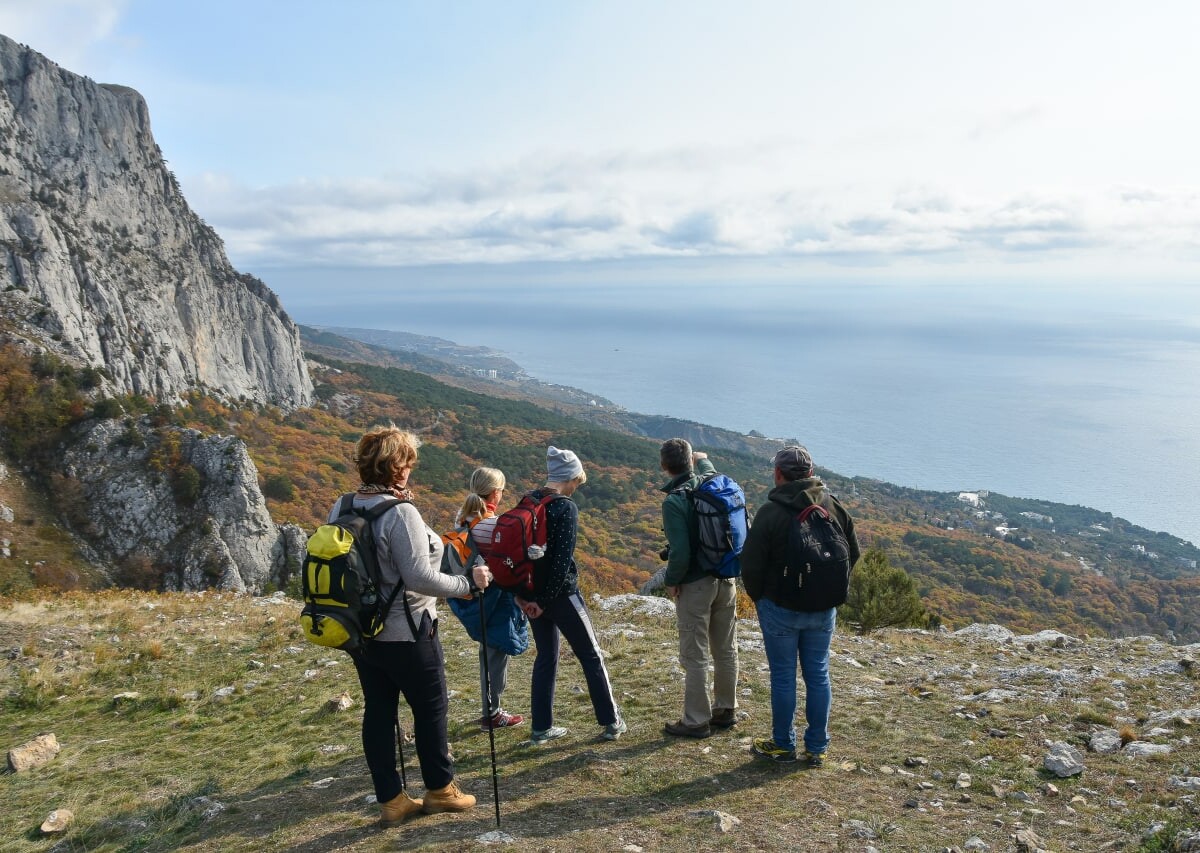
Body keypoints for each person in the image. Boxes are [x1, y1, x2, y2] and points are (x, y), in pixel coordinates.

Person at [339, 425, 492, 824]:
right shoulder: (400, 512)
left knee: (379, 710)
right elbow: (419, 578)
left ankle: (392, 801)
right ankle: (440, 790)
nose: (411, 468)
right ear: (397, 467)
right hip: (408, 631)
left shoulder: (342, 506)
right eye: (407, 461)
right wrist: (466, 584)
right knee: (430, 708)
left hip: (361, 632)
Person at [741, 445, 860, 767]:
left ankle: (783, 745)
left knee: (783, 677)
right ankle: (817, 747)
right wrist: (829, 588)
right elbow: (853, 553)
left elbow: (750, 565)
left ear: (778, 474)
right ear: (811, 473)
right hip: (823, 608)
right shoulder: (833, 506)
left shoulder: (771, 512)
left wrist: (761, 598)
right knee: (818, 674)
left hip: (780, 607)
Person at [514, 446, 626, 745]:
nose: (578, 486)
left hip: (530, 594)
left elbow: (516, 553)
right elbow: (562, 562)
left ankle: (541, 729)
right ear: (572, 477)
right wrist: (546, 600)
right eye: (578, 480)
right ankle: (612, 722)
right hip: (561, 597)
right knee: (591, 655)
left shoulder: (528, 500)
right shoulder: (565, 508)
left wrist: (526, 599)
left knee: (546, 657)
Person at [657, 439, 739, 739]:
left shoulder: (674, 501)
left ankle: (695, 721)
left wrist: (671, 581)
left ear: (664, 467)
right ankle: (725, 709)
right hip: (726, 579)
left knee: (695, 654)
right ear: (691, 461)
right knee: (725, 647)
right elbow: (707, 466)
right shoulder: (709, 482)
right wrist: (702, 459)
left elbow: (680, 552)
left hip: (696, 585)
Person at [455, 466, 526, 732]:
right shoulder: (494, 524)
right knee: (496, 654)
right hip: (493, 600)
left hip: (467, 598)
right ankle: (493, 713)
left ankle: (490, 709)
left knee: (488, 652)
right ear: (496, 493)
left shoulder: (462, 519)